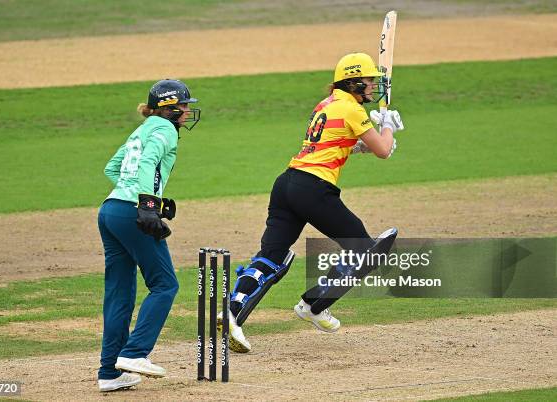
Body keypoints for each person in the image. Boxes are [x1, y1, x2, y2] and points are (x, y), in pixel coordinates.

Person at [221, 53, 404, 353]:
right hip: (314, 188)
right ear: (354, 82)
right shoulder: (351, 109)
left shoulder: (327, 104)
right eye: (370, 81)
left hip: (286, 184)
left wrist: (369, 144)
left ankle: (231, 312)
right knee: (364, 250)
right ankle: (313, 305)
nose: (373, 86)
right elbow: (384, 150)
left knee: (271, 255)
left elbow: (334, 144)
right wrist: (388, 127)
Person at [96, 79, 201, 392]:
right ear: (169, 108)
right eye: (183, 106)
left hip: (110, 210)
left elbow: (112, 169)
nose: (187, 111)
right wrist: (147, 204)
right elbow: (147, 161)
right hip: (131, 212)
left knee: (119, 292)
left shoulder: (140, 130)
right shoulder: (164, 129)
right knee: (165, 284)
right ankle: (135, 353)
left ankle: (109, 372)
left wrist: (142, 194)